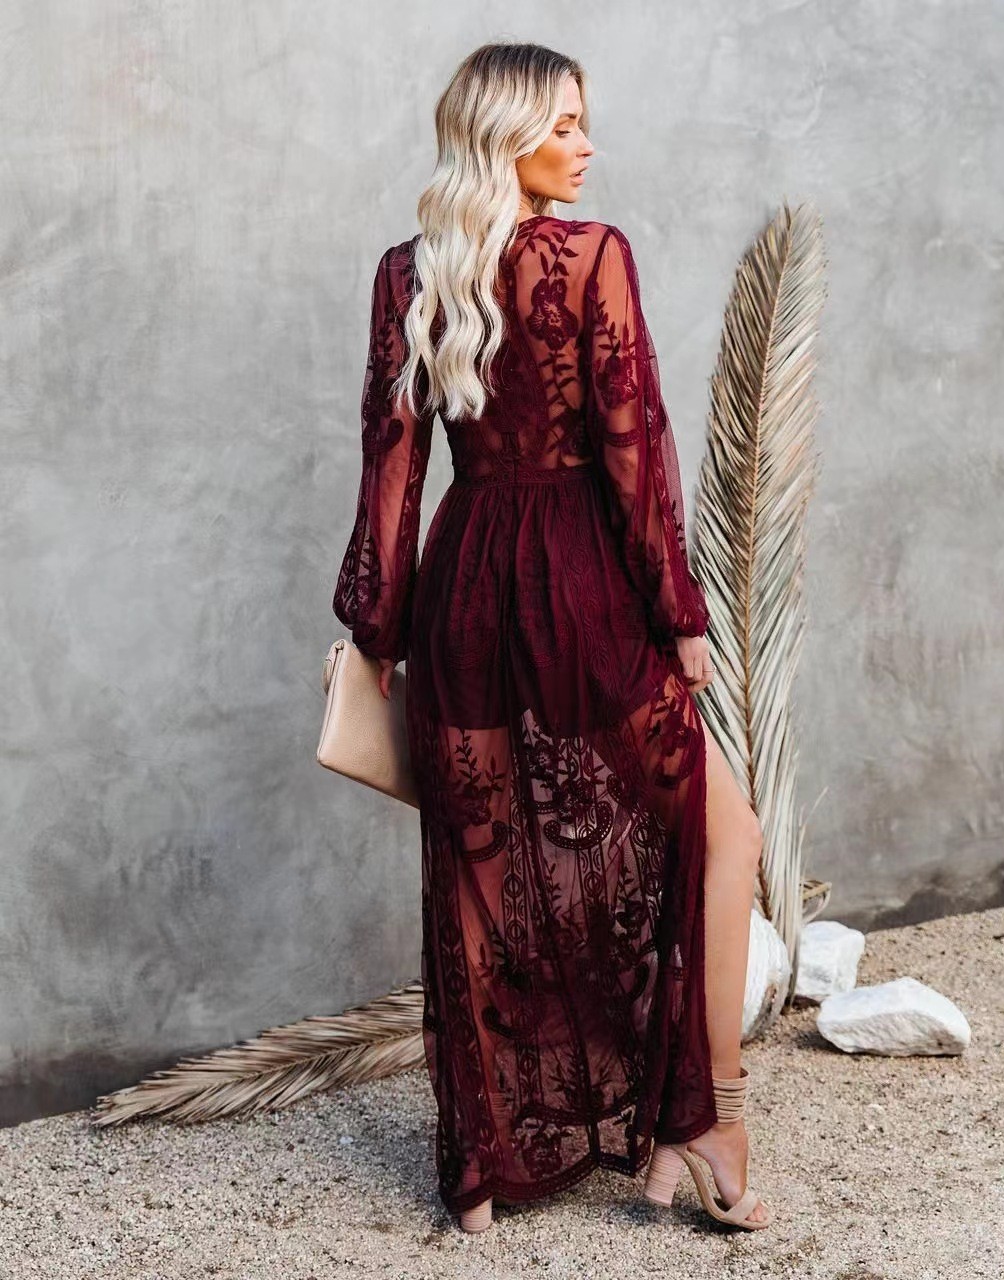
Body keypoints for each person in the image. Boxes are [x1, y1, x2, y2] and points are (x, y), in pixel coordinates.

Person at [333, 41, 772, 1233]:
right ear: (508, 134)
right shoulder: (590, 257)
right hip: (582, 592)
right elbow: (634, 451)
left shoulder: (407, 272)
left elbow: (391, 464)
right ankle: (708, 1115)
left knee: (479, 879)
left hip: (464, 592)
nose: (585, 145)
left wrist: (378, 626)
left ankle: (478, 1178)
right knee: (721, 835)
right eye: (565, 124)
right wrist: (679, 616)